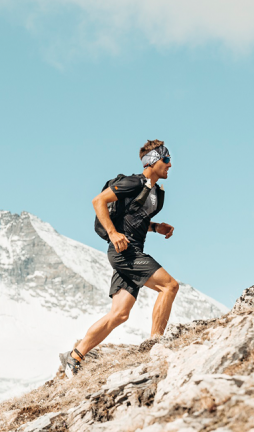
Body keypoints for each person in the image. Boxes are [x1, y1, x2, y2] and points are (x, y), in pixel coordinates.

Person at [60, 139, 179, 378]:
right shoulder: (134, 182)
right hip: (125, 252)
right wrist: (113, 234)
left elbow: (134, 220)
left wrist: (156, 227)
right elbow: (98, 201)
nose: (170, 165)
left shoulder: (156, 193)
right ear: (153, 162)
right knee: (169, 286)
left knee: (120, 314)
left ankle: (74, 357)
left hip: (129, 251)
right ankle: (155, 345)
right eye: (166, 160)